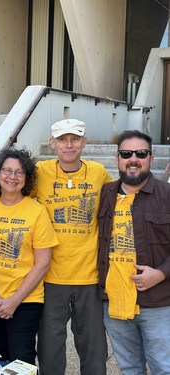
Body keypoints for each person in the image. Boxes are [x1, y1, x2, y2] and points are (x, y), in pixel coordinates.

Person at [34, 119, 111, 375]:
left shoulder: (99, 172)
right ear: (52, 143)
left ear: (84, 142)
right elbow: (13, 199)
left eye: (75, 139)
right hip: (50, 276)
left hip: (88, 275)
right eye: (63, 140)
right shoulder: (40, 172)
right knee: (50, 347)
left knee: (93, 347)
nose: (69, 145)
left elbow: (119, 202)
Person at [0, 148, 58, 365]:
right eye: (7, 171)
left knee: (22, 360)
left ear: (26, 178)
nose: (12, 177)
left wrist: (13, 301)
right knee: (1, 357)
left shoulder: (36, 211)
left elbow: (42, 263)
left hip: (26, 299)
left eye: (19, 172)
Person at [98, 130, 170, 374]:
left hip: (157, 303)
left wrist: (161, 273)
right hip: (115, 301)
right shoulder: (105, 194)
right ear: (117, 158)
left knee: (163, 367)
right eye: (126, 153)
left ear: (151, 157)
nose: (133, 159)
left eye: (141, 153)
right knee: (129, 368)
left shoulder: (167, 196)